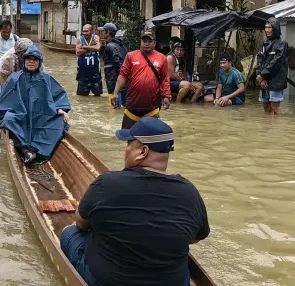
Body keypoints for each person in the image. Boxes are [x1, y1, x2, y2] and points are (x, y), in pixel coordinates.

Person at [60, 117, 209, 286]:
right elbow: (196, 238)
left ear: (142, 151)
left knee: (69, 232)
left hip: (108, 281)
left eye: (128, 145)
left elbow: (81, 223)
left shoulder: (106, 183)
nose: (125, 151)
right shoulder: (190, 191)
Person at [0, 46, 70, 165]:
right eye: (28, 59)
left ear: (39, 62)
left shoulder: (46, 78)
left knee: (60, 121)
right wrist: (5, 113)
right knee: (8, 119)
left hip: (41, 116)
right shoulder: (15, 78)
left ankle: (40, 152)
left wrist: (60, 109)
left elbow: (58, 96)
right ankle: (25, 150)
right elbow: (6, 99)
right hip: (20, 116)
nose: (31, 62)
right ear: (24, 61)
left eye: (35, 59)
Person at [111, 30, 171, 129]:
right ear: (141, 42)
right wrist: (115, 93)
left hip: (152, 106)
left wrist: (166, 96)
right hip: (132, 105)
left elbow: (165, 78)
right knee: (128, 136)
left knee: (150, 139)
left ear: (154, 43)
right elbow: (122, 75)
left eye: (149, 41)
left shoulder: (162, 58)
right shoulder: (131, 56)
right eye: (144, 41)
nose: (146, 44)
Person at [256, 18, 289, 115]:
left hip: (276, 80)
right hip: (263, 80)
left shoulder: (282, 45)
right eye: (265, 27)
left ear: (275, 28)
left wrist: (262, 75)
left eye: (269, 27)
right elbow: (259, 60)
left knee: (275, 107)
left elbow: (276, 62)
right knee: (266, 106)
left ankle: (276, 127)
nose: (267, 30)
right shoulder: (264, 44)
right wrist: (260, 77)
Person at [99, 23, 127, 109]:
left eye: (103, 31)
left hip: (113, 81)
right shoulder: (121, 45)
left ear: (107, 33)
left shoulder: (110, 46)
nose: (101, 33)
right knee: (125, 106)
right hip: (124, 81)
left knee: (115, 108)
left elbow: (117, 62)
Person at [76, 24, 103, 97]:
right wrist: (91, 47)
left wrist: (85, 47)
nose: (84, 33)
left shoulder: (96, 37)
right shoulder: (79, 39)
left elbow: (98, 48)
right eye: (83, 31)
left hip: (95, 72)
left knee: (98, 95)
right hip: (83, 73)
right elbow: (78, 52)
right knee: (82, 97)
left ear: (91, 31)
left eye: (86, 31)